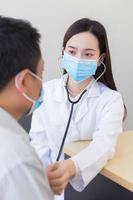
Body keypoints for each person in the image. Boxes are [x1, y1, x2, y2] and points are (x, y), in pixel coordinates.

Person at [30, 18, 125, 198]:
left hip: (88, 189)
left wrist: (72, 166)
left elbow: (105, 144)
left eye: (88, 54)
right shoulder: (46, 92)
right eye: (72, 51)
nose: (78, 59)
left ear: (100, 59)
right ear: (63, 52)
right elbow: (38, 144)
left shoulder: (111, 100)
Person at [0, 16, 53, 200]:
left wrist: (35, 182)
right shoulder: (17, 159)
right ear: (23, 81)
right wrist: (30, 179)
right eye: (41, 73)